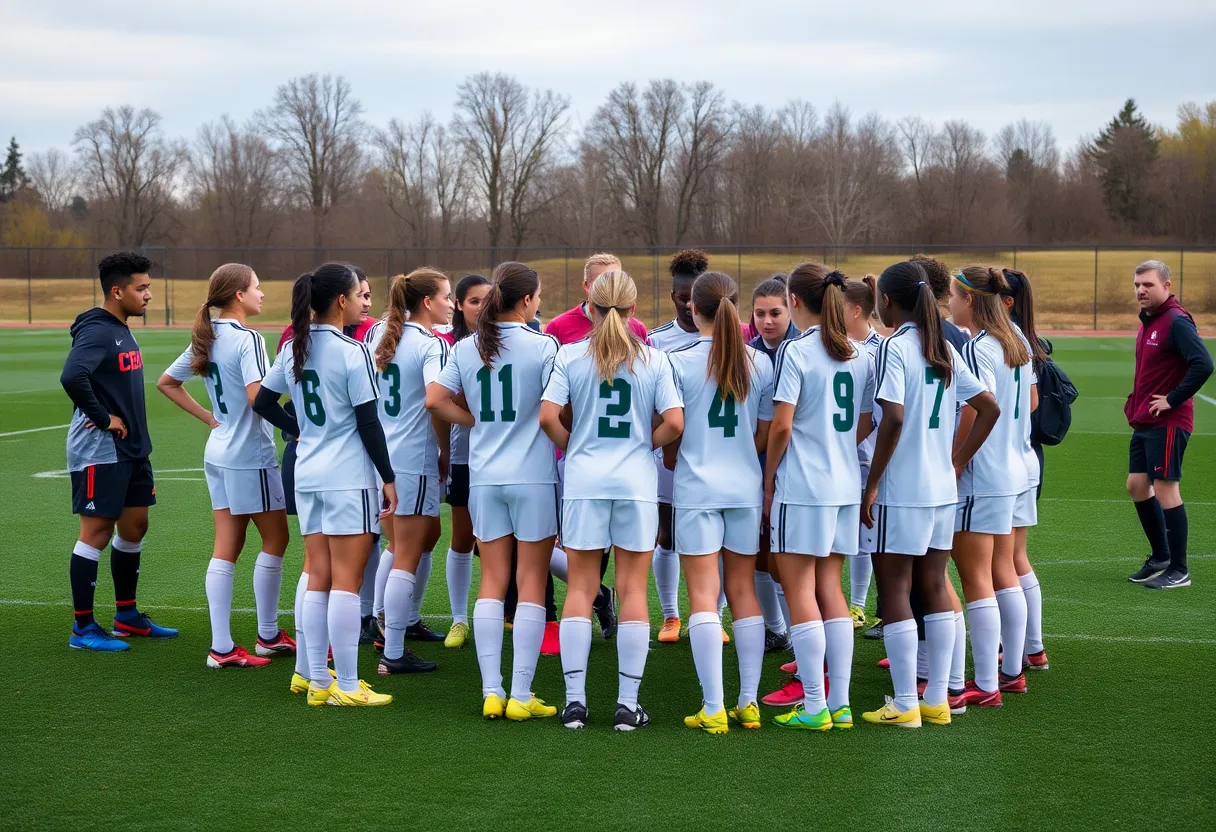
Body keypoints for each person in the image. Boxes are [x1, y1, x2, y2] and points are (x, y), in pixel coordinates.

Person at [540, 269, 684, 731]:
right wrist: (646, 445)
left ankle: (575, 704)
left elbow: (547, 419)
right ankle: (626, 705)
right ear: (633, 310)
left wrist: (578, 441)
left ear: (593, 309)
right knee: (632, 590)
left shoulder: (570, 354)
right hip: (636, 484)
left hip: (585, 481)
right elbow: (676, 424)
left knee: (581, 589)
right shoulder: (653, 360)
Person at [860, 261, 998, 728]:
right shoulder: (941, 346)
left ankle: (903, 703)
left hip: (903, 489)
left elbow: (893, 418)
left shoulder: (893, 347)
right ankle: (937, 699)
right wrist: (956, 462)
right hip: (942, 489)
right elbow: (988, 407)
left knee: (895, 590)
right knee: (936, 587)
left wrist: (873, 481)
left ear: (888, 301)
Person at [254, 263, 399, 707]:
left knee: (317, 577)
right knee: (346, 583)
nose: (363, 302)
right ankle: (349, 688)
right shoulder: (350, 351)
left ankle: (318, 681)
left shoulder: (296, 346)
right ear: (341, 300)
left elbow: (262, 401)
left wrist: (299, 428)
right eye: (359, 294)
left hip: (308, 474)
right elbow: (369, 424)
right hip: (346, 478)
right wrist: (389, 479)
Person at [427, 261, 561, 721]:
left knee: (492, 581)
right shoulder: (544, 345)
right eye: (538, 296)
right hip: (534, 477)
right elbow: (557, 410)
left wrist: (476, 421)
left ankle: (491, 690)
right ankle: (521, 696)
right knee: (530, 584)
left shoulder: (465, 347)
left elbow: (435, 401)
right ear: (526, 300)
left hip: (485, 476)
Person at [157, 264, 292, 669]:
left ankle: (222, 647)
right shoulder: (247, 338)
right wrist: (295, 426)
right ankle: (266, 635)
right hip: (249, 456)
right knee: (277, 540)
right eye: (256, 286)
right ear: (238, 295)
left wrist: (211, 419)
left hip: (218, 452)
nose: (262, 293)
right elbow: (258, 398)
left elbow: (166, 381)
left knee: (227, 547)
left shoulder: (208, 334)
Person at [765, 265, 874, 732]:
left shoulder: (797, 351)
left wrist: (769, 479)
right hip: (844, 486)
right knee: (831, 590)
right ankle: (841, 703)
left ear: (793, 300)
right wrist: (836, 449)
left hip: (803, 487)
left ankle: (814, 705)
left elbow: (783, 425)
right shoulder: (860, 352)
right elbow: (868, 421)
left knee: (800, 591)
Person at [665, 272, 772, 734]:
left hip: (697, 490)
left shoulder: (677, 361)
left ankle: (714, 706)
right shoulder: (759, 363)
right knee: (744, 591)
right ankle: (748, 702)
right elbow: (764, 433)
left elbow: (670, 430)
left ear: (694, 308)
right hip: (744, 489)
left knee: (703, 597)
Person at [60, 252, 178, 652]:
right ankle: (82, 628)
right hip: (101, 448)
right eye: (141, 288)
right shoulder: (97, 329)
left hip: (130, 449)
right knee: (96, 532)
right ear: (117, 290)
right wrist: (102, 416)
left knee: (135, 526)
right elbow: (72, 375)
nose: (148, 295)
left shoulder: (120, 328)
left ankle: (126, 615)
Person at [543, 253, 647, 645]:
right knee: (583, 560)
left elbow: (547, 413)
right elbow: (670, 419)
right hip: (590, 462)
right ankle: (589, 611)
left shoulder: (638, 332)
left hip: (591, 463)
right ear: (587, 287)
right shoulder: (559, 329)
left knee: (587, 568)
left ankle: (576, 690)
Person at [947, 266, 1034, 708]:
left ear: (969, 300)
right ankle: (1012, 672)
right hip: (1014, 469)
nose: (948, 303)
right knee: (1004, 572)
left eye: (953, 296)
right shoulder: (1016, 339)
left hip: (985, 473)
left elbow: (980, 409)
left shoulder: (980, 346)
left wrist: (956, 459)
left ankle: (986, 683)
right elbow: (1027, 402)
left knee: (977, 576)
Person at [366, 269, 455, 675]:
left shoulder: (377, 333)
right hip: (410, 458)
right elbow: (436, 402)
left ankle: (385, 622)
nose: (451, 304)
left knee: (408, 540)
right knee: (408, 551)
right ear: (427, 303)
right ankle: (394, 650)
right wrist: (452, 440)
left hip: (378, 455)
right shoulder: (429, 344)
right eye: (447, 297)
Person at [1125, 260, 1212, 590]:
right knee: (1136, 484)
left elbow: (1203, 364)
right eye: (1136, 285)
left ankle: (1180, 569)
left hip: (1169, 421)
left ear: (1166, 285)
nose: (1140, 290)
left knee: (1165, 488)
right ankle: (1161, 556)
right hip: (1145, 420)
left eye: (1147, 284)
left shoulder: (1175, 321)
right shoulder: (1149, 320)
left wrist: (1173, 399)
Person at [648, 249, 710, 644]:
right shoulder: (657, 340)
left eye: (694, 298)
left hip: (714, 455)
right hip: (669, 456)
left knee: (712, 539)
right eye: (680, 297)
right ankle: (671, 616)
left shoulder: (736, 337)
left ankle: (712, 616)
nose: (687, 305)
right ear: (672, 295)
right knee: (666, 534)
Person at [1000, 268, 1050, 670]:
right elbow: (1031, 403)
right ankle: (1031, 647)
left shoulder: (997, 341)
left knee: (1001, 564)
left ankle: (1014, 657)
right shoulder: (1025, 340)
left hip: (1002, 461)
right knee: (1018, 558)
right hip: (1026, 458)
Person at [441, 274, 492, 649]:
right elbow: (440, 401)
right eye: (474, 301)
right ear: (459, 304)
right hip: (464, 455)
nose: (482, 307)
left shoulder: (516, 337)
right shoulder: (452, 345)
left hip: (505, 458)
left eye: (488, 300)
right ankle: (459, 620)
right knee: (463, 538)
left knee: (504, 542)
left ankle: (595, 594)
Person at [842, 276, 882, 630]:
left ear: (856, 310)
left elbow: (879, 418)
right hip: (842, 455)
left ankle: (858, 605)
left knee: (864, 533)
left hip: (866, 455)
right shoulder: (834, 346)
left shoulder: (878, 350)